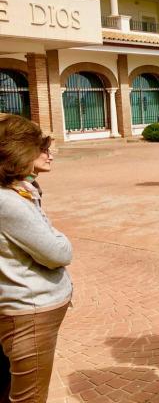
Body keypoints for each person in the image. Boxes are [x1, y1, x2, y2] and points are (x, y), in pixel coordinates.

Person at [0, 114, 73, 402]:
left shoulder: (20, 191)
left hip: (22, 306)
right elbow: (58, 252)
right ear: (18, 153)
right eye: (41, 149)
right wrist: (62, 239)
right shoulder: (9, 201)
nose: (49, 154)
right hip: (28, 311)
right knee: (29, 397)